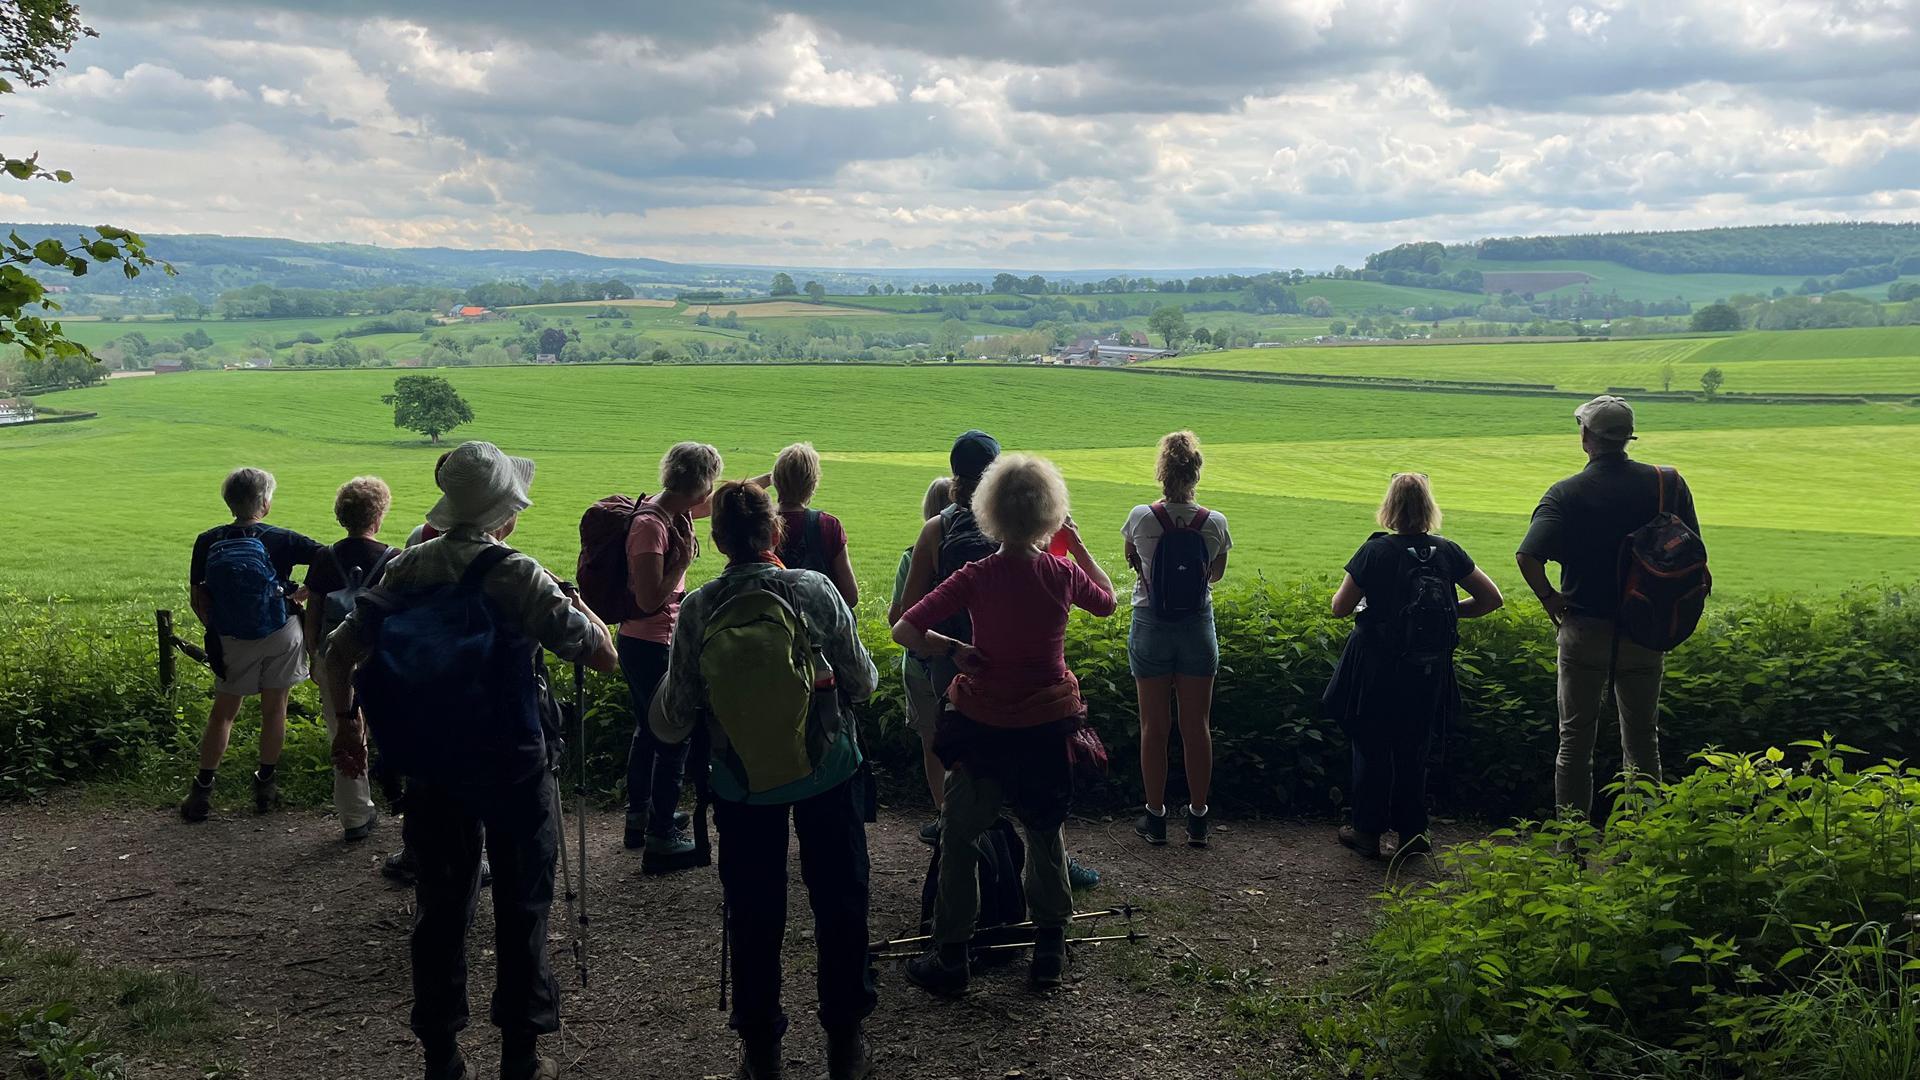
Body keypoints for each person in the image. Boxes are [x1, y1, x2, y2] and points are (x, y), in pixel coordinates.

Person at [320, 440, 618, 1080]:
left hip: (431, 765)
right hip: (512, 763)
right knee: (522, 905)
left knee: (442, 904)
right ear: (503, 512)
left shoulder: (402, 568)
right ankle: (520, 1055)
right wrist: (576, 601)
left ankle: (441, 1053)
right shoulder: (516, 573)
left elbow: (337, 655)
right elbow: (601, 655)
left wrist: (349, 724)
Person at [655, 480, 879, 1080]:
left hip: (740, 781)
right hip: (826, 767)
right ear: (774, 532)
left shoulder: (699, 606)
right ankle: (845, 1038)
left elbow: (675, 714)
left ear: (719, 539)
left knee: (754, 908)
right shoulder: (814, 590)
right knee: (840, 898)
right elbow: (864, 681)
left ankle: (761, 1046)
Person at [893, 454, 1117, 996]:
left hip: (983, 725)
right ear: (1049, 513)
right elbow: (1108, 601)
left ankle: (951, 954)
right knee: (1044, 832)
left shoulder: (977, 575)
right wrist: (1076, 543)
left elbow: (905, 627)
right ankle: (1048, 949)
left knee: (961, 835)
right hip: (1048, 724)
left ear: (987, 509)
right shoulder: (1062, 573)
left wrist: (954, 648)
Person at [1516, 395, 1700, 821]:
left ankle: (1573, 846)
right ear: (1626, 438)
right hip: (1646, 627)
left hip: (1584, 628)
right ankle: (1642, 844)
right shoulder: (1667, 483)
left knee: (1574, 741)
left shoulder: (1565, 493)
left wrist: (1550, 600)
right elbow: (1690, 551)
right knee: (1641, 741)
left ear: (1586, 437)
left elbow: (1528, 556)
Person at [1326, 473, 1503, 858]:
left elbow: (1340, 608)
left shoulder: (1374, 552)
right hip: (1427, 670)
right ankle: (1414, 834)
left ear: (1389, 508)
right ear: (1429, 508)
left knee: (1371, 747)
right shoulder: (1448, 551)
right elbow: (1492, 599)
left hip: (1375, 668)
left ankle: (1367, 833)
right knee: (1415, 750)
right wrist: (1447, 615)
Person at [179, 467, 325, 823]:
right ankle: (265, 785)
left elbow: (199, 597)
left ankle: (202, 789)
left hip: (232, 638)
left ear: (229, 501)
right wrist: (303, 591)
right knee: (275, 709)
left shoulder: (208, 540)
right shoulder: (283, 538)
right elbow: (328, 557)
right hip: (282, 631)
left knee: (224, 712)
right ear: (265, 502)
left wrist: (219, 628)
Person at [1122, 431, 1232, 848]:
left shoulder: (1140, 516)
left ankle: (1155, 817)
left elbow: (1134, 559)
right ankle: (1199, 819)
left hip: (1150, 623)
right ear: (1196, 472)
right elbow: (1215, 575)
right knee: (1196, 726)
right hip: (1197, 626)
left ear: (1161, 472)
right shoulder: (1215, 522)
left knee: (1154, 726)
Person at [894, 432, 1001, 848]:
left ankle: (957, 859)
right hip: (1008, 661)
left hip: (951, 668)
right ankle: (1046, 867)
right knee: (1022, 765)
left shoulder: (936, 529)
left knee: (960, 764)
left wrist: (951, 649)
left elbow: (908, 619)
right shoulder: (1014, 524)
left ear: (955, 475)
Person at [620, 441, 725, 862]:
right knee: (672, 733)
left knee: (648, 730)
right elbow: (648, 599)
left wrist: (768, 481)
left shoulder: (669, 510)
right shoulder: (653, 526)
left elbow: (707, 506)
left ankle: (639, 818)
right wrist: (682, 562)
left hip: (642, 640)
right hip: (649, 642)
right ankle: (660, 835)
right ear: (700, 484)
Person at [302, 475, 395, 842]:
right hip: (378, 656)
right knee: (389, 728)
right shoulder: (393, 557)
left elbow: (314, 610)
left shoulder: (325, 557)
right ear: (378, 516)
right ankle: (403, 801)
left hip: (333, 655)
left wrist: (314, 655)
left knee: (343, 729)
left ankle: (355, 816)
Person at [887, 477, 954, 837]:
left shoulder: (912, 556)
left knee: (931, 743)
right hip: (960, 662)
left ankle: (944, 815)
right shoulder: (976, 554)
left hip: (918, 664)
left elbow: (897, 616)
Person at [772, 441, 859, 608]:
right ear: (813, 483)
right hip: (819, 628)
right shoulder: (828, 525)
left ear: (775, 479)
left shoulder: (759, 524)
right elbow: (851, 596)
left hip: (773, 625)